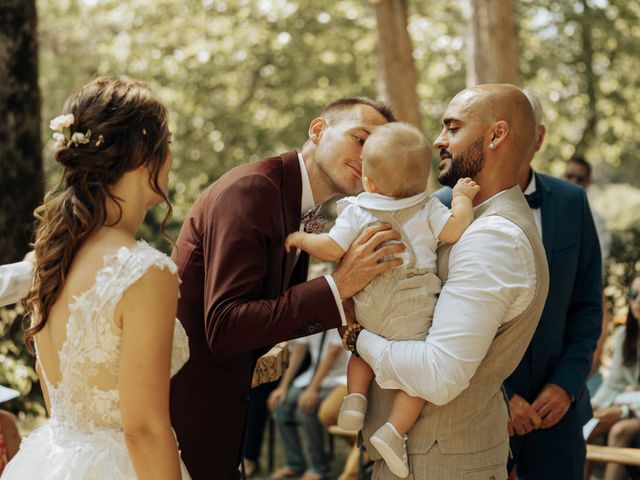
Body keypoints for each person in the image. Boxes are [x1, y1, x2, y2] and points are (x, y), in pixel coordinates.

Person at [170, 97, 403, 479]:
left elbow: (271, 316)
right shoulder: (252, 191)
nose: (368, 157)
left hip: (224, 413)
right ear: (318, 129)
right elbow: (226, 326)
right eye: (360, 138)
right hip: (188, 415)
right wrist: (336, 287)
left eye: (377, 150)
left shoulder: (302, 210)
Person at [343, 84, 550, 479]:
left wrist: (357, 339)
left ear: (496, 135)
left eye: (452, 128)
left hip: (438, 464)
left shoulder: (494, 238)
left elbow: (438, 375)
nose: (438, 139)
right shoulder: (466, 219)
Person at [2, 77, 191, 479]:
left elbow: (60, 403)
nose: (171, 156)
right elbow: (143, 429)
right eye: (168, 142)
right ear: (144, 156)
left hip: (51, 462)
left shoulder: (54, 258)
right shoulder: (145, 272)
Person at [286, 122, 479, 477]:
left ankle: (355, 400)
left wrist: (301, 239)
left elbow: (331, 247)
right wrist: (463, 198)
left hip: (369, 300)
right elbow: (456, 230)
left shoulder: (357, 210)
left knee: (361, 348)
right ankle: (394, 432)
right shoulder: (428, 208)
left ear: (370, 182)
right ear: (423, 181)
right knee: (415, 377)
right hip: (412, 304)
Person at [268, 330, 347, 480]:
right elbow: (299, 350)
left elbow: (334, 353)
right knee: (281, 404)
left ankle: (318, 467)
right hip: (312, 377)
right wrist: (283, 387)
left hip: (338, 379)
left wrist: (312, 389)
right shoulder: (312, 317)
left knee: (307, 406)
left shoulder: (337, 317)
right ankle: (294, 463)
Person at [590, 274, 640, 480]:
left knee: (619, 431)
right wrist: (595, 405)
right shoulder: (624, 335)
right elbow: (614, 382)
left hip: (632, 410)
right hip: (628, 407)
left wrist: (625, 410)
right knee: (585, 426)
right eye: (634, 294)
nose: (637, 301)